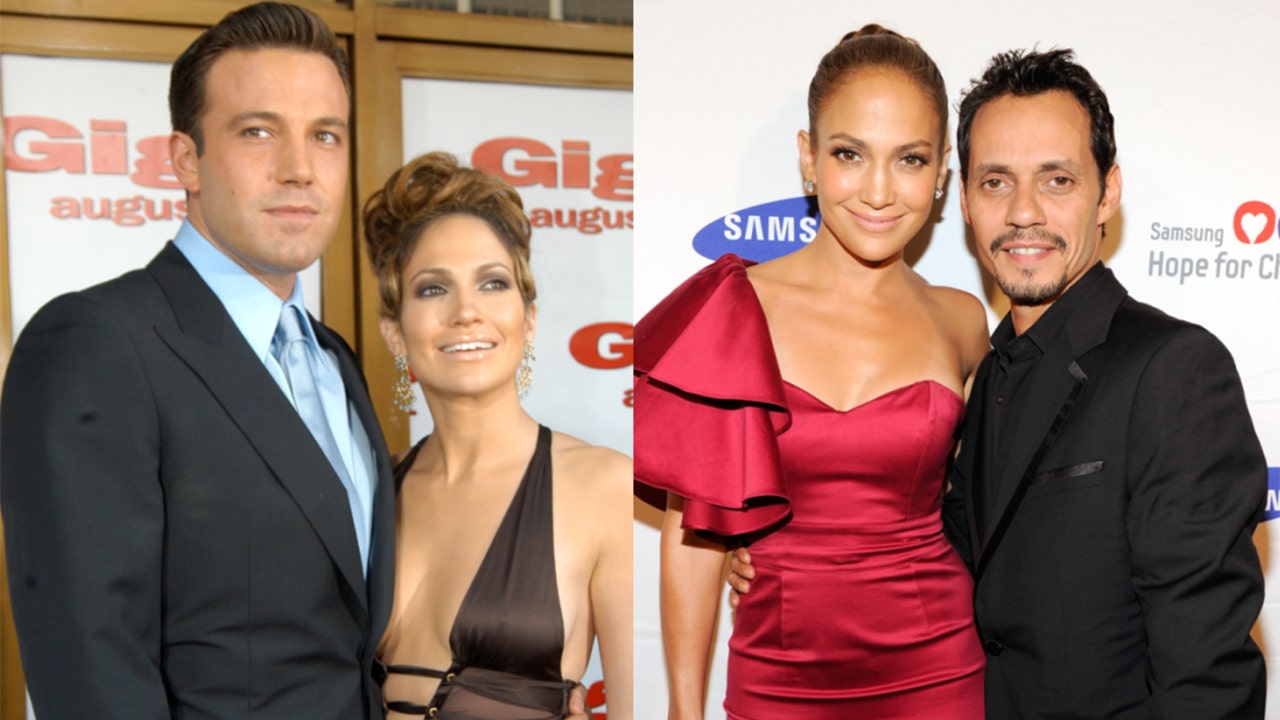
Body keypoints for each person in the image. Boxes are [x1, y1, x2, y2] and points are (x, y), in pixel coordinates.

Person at [0, 4, 592, 719]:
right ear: (185, 159)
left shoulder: (335, 359)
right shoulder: (96, 343)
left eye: (324, 135)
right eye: (258, 131)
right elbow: (89, 671)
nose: (299, 169)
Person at [732, 48, 1268, 720]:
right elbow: (931, 545)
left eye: (1057, 180)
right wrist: (774, 551)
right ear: (962, 199)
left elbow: (1206, 681)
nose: (1022, 212)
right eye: (995, 182)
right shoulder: (981, 372)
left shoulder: (1173, 368)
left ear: (1107, 193)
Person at [634, 25, 990, 720]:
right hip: (778, 672)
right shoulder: (734, 308)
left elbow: (977, 500)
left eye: (910, 159)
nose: (879, 192)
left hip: (939, 668)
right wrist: (682, 709)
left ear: (944, 169)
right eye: (849, 154)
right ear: (808, 156)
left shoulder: (962, 320)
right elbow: (693, 535)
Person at [362, 151, 633, 720]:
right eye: (432, 289)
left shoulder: (603, 486)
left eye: (492, 283)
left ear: (527, 319)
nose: (466, 311)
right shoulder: (369, 490)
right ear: (395, 332)